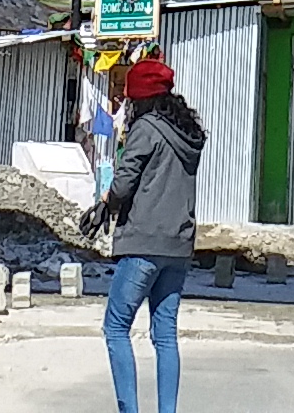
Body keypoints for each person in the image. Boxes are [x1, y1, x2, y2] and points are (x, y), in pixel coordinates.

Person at [82, 52, 205, 413]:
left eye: (130, 96)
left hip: (143, 243)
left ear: (142, 97)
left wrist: (106, 199)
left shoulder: (145, 129)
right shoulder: (187, 133)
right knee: (165, 334)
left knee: (116, 327)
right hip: (178, 245)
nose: (126, 102)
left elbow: (122, 185)